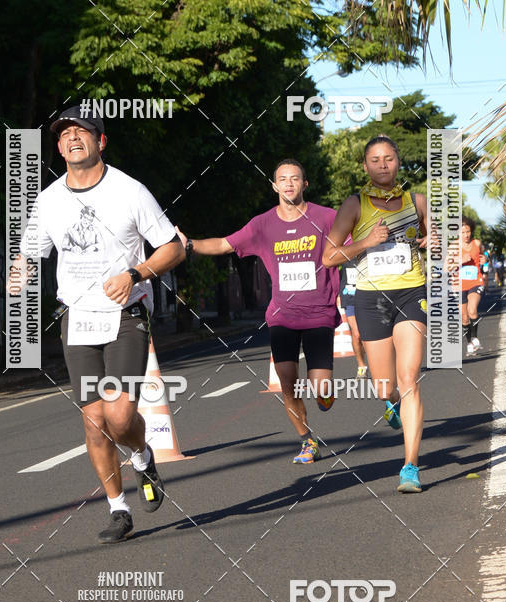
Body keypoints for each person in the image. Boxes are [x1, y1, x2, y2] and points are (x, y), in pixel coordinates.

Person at [8, 105, 184, 543]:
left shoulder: (129, 191)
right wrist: (21, 270)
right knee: (94, 420)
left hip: (125, 316)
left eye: (81, 132)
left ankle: (143, 456)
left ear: (100, 141)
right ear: (59, 147)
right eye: (64, 134)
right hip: (77, 318)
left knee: (121, 415)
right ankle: (118, 509)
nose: (71, 138)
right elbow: (31, 252)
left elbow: (173, 248)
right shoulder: (48, 200)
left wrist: (134, 274)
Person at [177, 159, 341, 465]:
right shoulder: (262, 224)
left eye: (295, 178)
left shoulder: (327, 217)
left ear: (305, 184)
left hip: (319, 312)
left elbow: (352, 244)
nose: (289, 183)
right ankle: (307, 441)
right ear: (274, 186)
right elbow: (225, 244)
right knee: (287, 382)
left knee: (322, 387)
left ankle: (324, 395)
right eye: (283, 179)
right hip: (282, 315)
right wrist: (190, 245)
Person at [322, 135, 431, 493]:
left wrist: (434, 241)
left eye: (388, 158)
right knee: (384, 385)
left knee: (409, 377)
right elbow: (329, 256)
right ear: (365, 166)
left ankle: (410, 466)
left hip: (411, 292)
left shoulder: (418, 202)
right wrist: (366, 242)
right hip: (370, 298)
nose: (382, 165)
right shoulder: (354, 205)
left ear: (398, 162)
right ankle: (391, 403)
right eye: (374, 159)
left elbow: (440, 240)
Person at [460, 217, 485, 356]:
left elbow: (484, 256)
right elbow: (446, 267)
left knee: (472, 310)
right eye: (463, 232)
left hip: (476, 281)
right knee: (464, 318)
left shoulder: (477, 243)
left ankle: (475, 339)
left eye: (468, 231)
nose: (466, 235)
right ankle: (470, 343)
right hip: (459, 285)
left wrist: (486, 259)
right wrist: (459, 260)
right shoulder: (453, 246)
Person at [339, 260, 368, 378]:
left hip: (368, 297)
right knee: (357, 334)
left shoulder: (369, 249)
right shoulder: (344, 250)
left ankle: (377, 363)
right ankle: (361, 366)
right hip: (349, 298)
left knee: (369, 334)